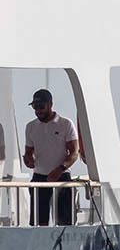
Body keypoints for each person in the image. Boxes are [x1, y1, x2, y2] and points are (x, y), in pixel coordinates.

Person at [23, 89, 79, 226]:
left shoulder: (65, 124)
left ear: (50, 104)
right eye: (35, 107)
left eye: (41, 106)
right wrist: (29, 160)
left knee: (65, 222)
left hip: (62, 176)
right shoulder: (30, 127)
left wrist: (60, 169)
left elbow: (74, 153)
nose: (38, 111)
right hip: (39, 177)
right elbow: (29, 152)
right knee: (38, 224)